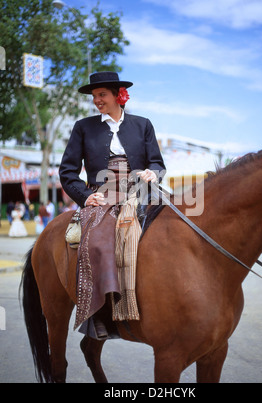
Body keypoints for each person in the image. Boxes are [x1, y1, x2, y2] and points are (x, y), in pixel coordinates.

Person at [59, 71, 166, 339]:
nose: (96, 100)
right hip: (102, 195)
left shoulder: (143, 125)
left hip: (142, 191)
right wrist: (85, 196)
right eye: (94, 96)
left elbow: (157, 162)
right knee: (96, 242)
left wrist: (153, 173)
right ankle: (101, 315)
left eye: (101, 94)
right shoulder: (83, 127)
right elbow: (68, 172)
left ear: (119, 95)